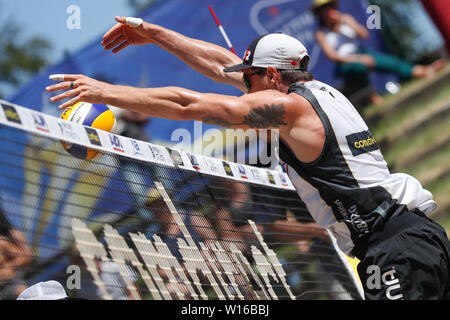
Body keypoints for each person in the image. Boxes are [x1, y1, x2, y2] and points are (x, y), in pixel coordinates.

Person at [45, 16, 450, 300]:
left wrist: (103, 92)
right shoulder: (317, 91)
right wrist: (154, 34)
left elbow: (189, 104)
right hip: (412, 236)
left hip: (395, 248)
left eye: (250, 79)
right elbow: (220, 63)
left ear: (273, 77)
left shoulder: (290, 109)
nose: (243, 87)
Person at [312, 0, 446, 106]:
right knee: (360, 67)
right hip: (345, 62)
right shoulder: (321, 33)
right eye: (325, 9)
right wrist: (358, 59)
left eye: (330, 6)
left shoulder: (346, 19)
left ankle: (422, 71)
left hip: (360, 53)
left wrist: (348, 23)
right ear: (320, 14)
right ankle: (372, 96)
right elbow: (333, 56)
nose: (329, 11)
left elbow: (364, 35)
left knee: (388, 61)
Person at [0, 205, 32, 299]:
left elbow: (27, 255)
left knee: (22, 292)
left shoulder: (2, 242)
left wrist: (8, 268)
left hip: (9, 286)